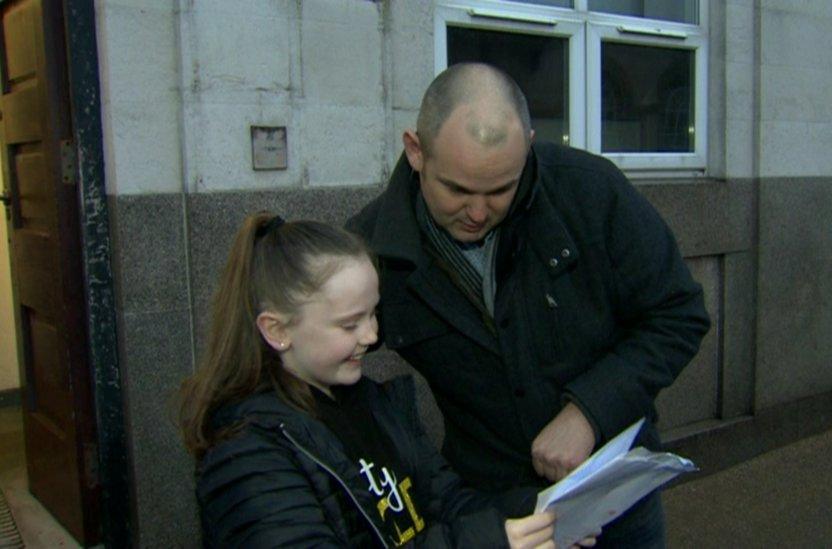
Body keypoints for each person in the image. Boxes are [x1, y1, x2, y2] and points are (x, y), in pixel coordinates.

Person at [347, 63, 710, 546]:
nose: (477, 213)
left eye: (500, 189)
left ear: (529, 146)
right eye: (456, 189)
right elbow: (316, 358)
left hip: (615, 495)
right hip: (494, 511)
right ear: (416, 151)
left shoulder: (592, 192)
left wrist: (588, 411)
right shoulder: (371, 252)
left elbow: (678, 313)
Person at [178, 212, 585, 548]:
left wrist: (538, 514)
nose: (372, 337)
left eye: (373, 314)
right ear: (277, 330)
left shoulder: (371, 401)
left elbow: (446, 499)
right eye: (350, 324)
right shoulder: (246, 452)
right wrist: (489, 542)